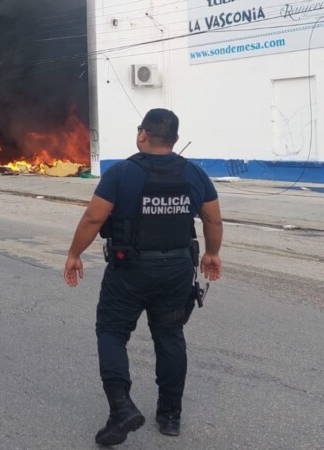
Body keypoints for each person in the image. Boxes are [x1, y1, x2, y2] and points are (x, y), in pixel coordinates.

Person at [63, 108, 223, 445]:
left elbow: (94, 219)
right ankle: (170, 416)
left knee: (111, 332)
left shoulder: (121, 173)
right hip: (177, 270)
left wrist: (74, 254)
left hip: (129, 270)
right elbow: (213, 220)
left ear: (142, 134)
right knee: (169, 336)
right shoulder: (195, 174)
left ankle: (121, 408)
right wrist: (212, 252)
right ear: (176, 139)